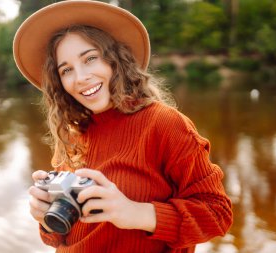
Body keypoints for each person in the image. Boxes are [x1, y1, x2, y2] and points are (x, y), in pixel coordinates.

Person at [13, 1, 233, 253]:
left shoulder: (164, 124)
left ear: (115, 60)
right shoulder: (72, 137)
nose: (80, 78)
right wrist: (47, 220)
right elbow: (61, 239)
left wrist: (134, 213)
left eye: (90, 58)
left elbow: (218, 215)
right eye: (66, 70)